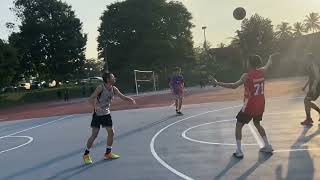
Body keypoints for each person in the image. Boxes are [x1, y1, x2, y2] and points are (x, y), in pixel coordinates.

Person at [209, 53, 279, 158]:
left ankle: (239, 151)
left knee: (239, 125)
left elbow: (233, 86)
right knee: (257, 123)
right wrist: (270, 58)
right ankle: (267, 145)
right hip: (261, 103)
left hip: (250, 104)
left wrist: (217, 83)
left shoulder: (246, 75)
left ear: (249, 63)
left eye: (247, 61)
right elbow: (268, 65)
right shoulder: (262, 71)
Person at [83, 72, 136, 164]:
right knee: (94, 135)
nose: (114, 78)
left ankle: (108, 152)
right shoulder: (100, 87)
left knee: (111, 132)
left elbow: (122, 96)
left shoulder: (114, 89)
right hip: (98, 114)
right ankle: (86, 155)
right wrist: (95, 107)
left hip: (106, 114)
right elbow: (90, 99)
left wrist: (129, 99)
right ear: (108, 79)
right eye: (112, 77)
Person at [301, 53, 320, 126]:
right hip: (313, 86)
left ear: (310, 59)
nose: (305, 60)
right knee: (307, 101)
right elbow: (311, 77)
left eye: (306, 58)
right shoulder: (309, 66)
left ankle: (309, 118)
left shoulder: (314, 65)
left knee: (306, 101)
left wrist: (314, 87)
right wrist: (305, 86)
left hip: (316, 86)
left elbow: (317, 77)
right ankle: (308, 118)